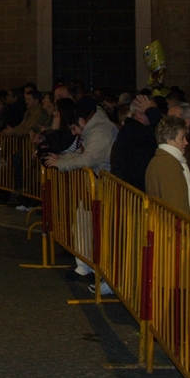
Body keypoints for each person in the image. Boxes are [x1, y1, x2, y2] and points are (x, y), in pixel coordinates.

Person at [44, 97, 118, 291]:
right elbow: (81, 154)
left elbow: (87, 158)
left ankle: (95, 269)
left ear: (83, 121)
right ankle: (84, 265)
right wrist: (60, 158)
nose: (74, 134)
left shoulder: (100, 131)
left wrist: (60, 162)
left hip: (104, 184)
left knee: (98, 228)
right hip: (95, 184)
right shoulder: (95, 129)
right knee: (84, 223)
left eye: (75, 129)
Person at [144, 115, 190, 216]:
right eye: (182, 138)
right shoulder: (169, 164)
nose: (186, 142)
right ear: (169, 140)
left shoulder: (158, 160)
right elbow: (176, 207)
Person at [111, 93, 158, 191]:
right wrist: (153, 112)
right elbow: (163, 133)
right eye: (149, 112)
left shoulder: (131, 130)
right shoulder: (134, 132)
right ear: (138, 114)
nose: (152, 115)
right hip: (137, 194)